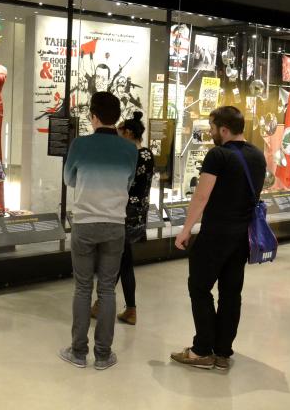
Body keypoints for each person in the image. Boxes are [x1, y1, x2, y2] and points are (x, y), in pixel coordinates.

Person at [171, 106, 265, 370]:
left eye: (212, 128)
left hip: (215, 235)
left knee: (199, 288)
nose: (210, 132)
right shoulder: (257, 156)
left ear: (224, 129)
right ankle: (223, 352)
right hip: (241, 237)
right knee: (231, 293)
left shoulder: (218, 155)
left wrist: (186, 229)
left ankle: (202, 350)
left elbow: (201, 196)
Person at [59, 92, 138, 370]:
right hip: (115, 224)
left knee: (82, 288)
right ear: (117, 117)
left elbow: (69, 179)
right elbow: (127, 184)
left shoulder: (80, 145)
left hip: (84, 222)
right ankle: (103, 355)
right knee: (107, 289)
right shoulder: (130, 150)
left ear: (93, 116)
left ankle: (78, 352)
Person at [91, 111, 154, 325]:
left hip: (124, 212)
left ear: (127, 133)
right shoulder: (147, 154)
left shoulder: (131, 155)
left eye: (120, 133)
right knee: (123, 259)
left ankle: (105, 304)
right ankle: (127, 308)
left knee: (119, 260)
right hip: (138, 213)